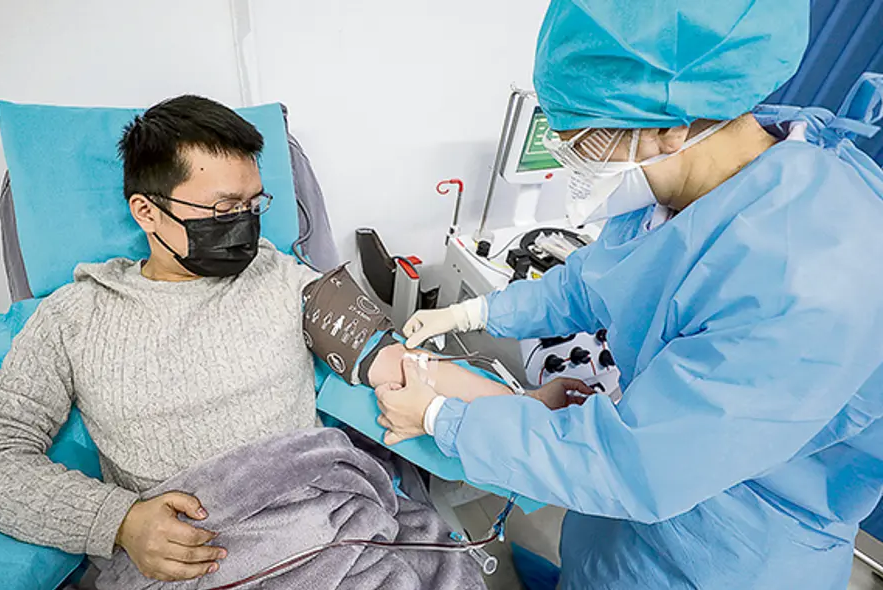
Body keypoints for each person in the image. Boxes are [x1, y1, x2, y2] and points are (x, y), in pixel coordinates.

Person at [0, 94, 580, 586]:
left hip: (327, 533)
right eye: (223, 210)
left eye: (254, 205)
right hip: (194, 557)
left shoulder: (285, 278)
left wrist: (524, 406)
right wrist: (118, 521)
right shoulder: (74, 317)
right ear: (147, 212)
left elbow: (398, 364)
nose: (245, 226)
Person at [374, 1, 883, 589]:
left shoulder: (807, 279)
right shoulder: (693, 181)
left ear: (670, 127)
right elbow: (601, 277)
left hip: (729, 550)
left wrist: (441, 418)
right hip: (637, 512)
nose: (574, 163)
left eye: (586, 144)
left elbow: (636, 467)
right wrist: (477, 311)